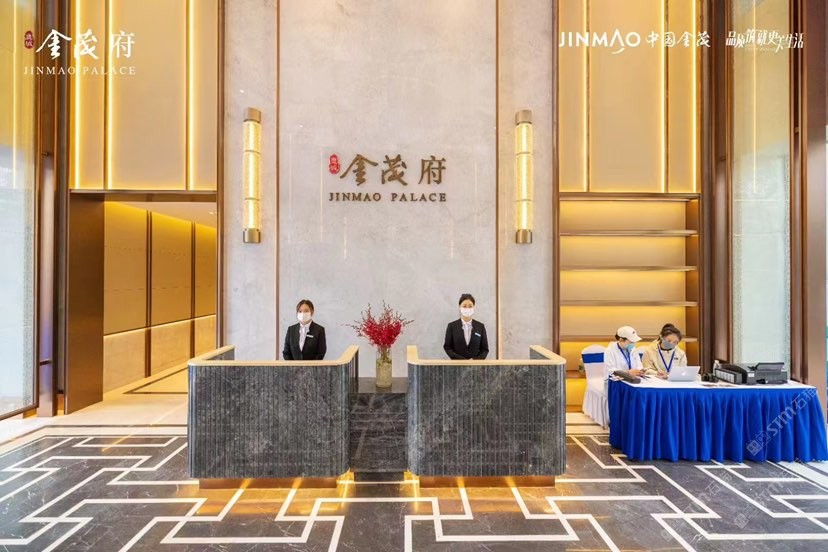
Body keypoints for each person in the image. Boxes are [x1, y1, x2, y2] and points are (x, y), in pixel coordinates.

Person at [443, 293, 489, 360]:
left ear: (474, 307)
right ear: (460, 307)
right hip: (457, 364)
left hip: (476, 364)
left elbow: (485, 349)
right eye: (464, 306)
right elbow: (447, 347)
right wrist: (462, 360)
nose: (467, 308)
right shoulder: (452, 326)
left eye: (470, 306)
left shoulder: (480, 327)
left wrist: (474, 360)